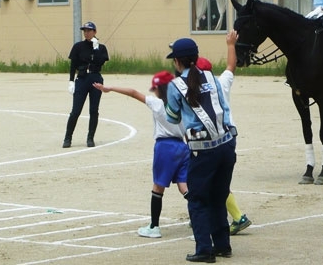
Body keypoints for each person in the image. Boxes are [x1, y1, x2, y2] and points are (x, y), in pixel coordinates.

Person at [93, 71, 190, 238]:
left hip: (165, 147)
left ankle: (154, 226)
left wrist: (110, 88)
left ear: (159, 89)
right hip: (183, 146)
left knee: (158, 187)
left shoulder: (157, 104)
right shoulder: (181, 105)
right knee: (185, 186)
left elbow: (132, 92)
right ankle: (200, 220)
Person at [165, 38, 236, 263]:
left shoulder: (175, 86)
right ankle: (223, 245)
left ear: (177, 62)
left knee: (197, 199)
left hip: (202, 150)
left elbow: (172, 117)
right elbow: (224, 109)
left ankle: (204, 249)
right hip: (226, 144)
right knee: (219, 195)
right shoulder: (212, 78)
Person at [196, 31, 252, 236]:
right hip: (230, 135)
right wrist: (230, 45)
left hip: (214, 138)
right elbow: (231, 65)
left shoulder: (197, 89)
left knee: (212, 179)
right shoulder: (220, 82)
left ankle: (236, 217)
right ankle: (229, 216)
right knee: (218, 179)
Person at [62, 21, 109, 148]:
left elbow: (100, 62)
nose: (86, 33)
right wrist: (71, 80)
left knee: (94, 110)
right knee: (75, 111)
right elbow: (73, 66)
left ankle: (90, 138)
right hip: (82, 78)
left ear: (94, 32)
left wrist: (96, 49)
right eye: (85, 31)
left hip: (95, 78)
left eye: (89, 31)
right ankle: (68, 138)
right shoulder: (78, 46)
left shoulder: (101, 48)